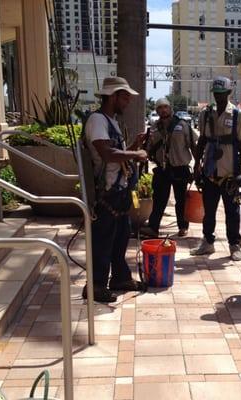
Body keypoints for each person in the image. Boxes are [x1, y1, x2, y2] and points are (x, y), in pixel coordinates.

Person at [83, 76, 148, 303]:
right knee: (103, 242)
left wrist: (132, 147)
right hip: (106, 194)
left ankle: (120, 278)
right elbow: (107, 154)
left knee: (120, 238)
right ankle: (96, 285)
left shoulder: (111, 121)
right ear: (112, 96)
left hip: (118, 192)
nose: (128, 101)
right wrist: (135, 154)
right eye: (125, 96)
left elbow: (115, 157)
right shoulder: (97, 120)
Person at [191, 76, 241, 261]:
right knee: (208, 211)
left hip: (230, 174)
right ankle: (208, 242)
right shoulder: (206, 114)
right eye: (216, 94)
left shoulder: (237, 115)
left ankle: (234, 245)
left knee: (232, 212)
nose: (218, 97)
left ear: (229, 93)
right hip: (210, 173)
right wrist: (196, 165)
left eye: (222, 94)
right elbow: (201, 141)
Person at [141, 98, 197, 238]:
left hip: (180, 168)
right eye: (160, 107)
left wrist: (198, 165)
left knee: (181, 200)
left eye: (166, 106)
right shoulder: (154, 127)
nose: (163, 110)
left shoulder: (183, 125)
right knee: (159, 199)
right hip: (162, 168)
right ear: (157, 110)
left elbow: (193, 145)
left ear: (170, 108)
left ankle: (183, 226)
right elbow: (148, 148)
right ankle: (153, 228)